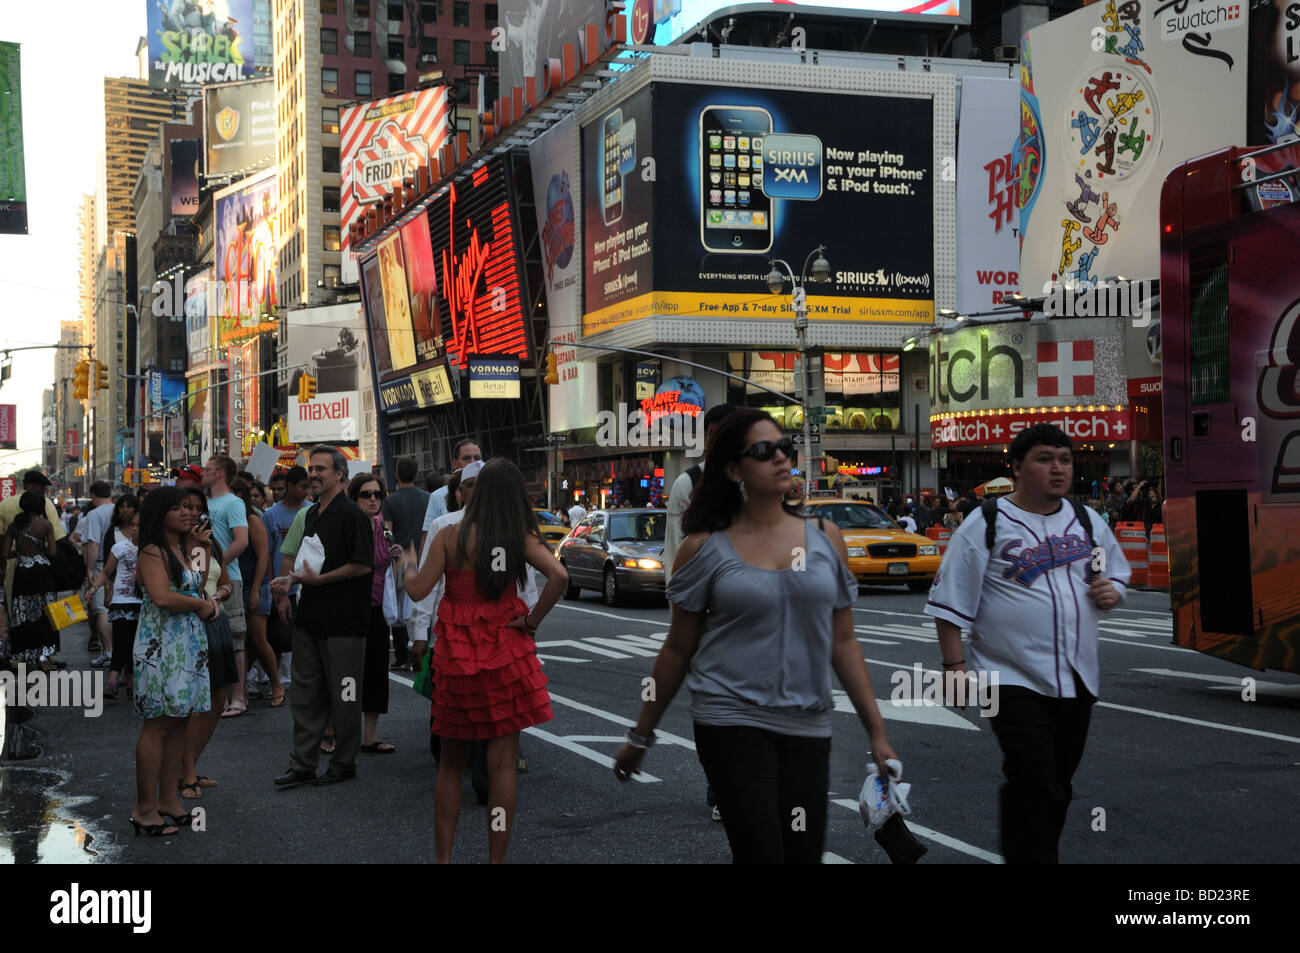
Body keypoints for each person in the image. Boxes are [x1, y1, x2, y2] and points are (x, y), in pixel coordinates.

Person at [612, 409, 899, 864]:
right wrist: (640, 737)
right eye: (764, 452)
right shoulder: (703, 547)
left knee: (802, 852)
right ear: (732, 468)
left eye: (785, 447)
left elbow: (843, 641)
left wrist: (877, 734)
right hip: (730, 721)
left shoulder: (827, 538)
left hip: (807, 723)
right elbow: (677, 649)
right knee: (762, 852)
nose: (782, 458)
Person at [924, 423, 1130, 864]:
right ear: (1016, 467)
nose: (1058, 469)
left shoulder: (1086, 519)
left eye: (1065, 460)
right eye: (1044, 459)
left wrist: (1112, 588)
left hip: (1076, 677)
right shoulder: (987, 524)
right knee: (1033, 778)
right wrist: (954, 667)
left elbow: (1112, 570)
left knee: (1056, 785)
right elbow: (948, 602)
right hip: (1009, 677)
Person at [401, 458, 565, 863]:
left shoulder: (449, 536)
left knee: (451, 767)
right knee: (502, 769)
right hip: (505, 651)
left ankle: (444, 858)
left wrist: (405, 565)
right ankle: (496, 859)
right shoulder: (517, 538)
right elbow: (559, 576)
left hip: (457, 653)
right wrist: (530, 622)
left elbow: (420, 591)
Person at [271, 445, 373, 789]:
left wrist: (318, 580)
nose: (312, 474)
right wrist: (291, 581)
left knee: (344, 696)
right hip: (310, 618)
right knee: (305, 694)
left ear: (340, 475)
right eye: (311, 468)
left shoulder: (353, 515)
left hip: (344, 623)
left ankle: (344, 762)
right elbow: (308, 564)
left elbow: (362, 564)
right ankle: (302, 764)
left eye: (321, 469)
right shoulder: (312, 514)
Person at [130, 487, 219, 836]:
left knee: (180, 721)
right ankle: (144, 808)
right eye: (178, 508)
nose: (187, 513)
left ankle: (168, 800)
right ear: (159, 514)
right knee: (157, 724)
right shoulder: (152, 550)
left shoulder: (183, 547)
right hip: (163, 645)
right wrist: (200, 607)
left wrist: (204, 547)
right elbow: (163, 597)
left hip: (187, 643)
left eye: (188, 507)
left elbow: (198, 583)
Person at [178, 488, 239, 799]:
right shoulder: (171, 545)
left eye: (196, 507)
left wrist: (220, 596)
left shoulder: (209, 541)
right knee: (193, 703)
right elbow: (191, 587)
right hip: (189, 626)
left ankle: (190, 765)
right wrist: (198, 548)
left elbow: (225, 582)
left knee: (217, 701)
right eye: (185, 506)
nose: (191, 513)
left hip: (216, 622)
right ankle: (185, 771)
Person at [348, 473, 403, 753]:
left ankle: (369, 735)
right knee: (347, 672)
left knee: (376, 672)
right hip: (349, 609)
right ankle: (337, 731)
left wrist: (397, 554)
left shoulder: (383, 528)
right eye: (366, 494)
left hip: (379, 608)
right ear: (354, 498)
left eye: (377, 494)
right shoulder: (347, 526)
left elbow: (389, 565)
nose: (373, 499)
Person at [663, 404, 735, 586]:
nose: (719, 439)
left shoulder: (756, 482)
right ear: (705, 438)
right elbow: (673, 552)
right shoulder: (686, 484)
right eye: (713, 433)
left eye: (726, 432)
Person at [202, 456, 250, 716]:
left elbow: (242, 540)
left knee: (235, 639)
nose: (203, 473)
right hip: (204, 581)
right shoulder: (206, 503)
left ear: (219, 473)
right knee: (213, 641)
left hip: (228, 579)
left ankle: (239, 698)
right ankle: (219, 697)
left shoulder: (233, 502)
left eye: (207, 469)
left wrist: (218, 565)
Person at [231, 478, 282, 707]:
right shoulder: (231, 519)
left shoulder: (253, 520)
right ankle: (241, 688)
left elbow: (263, 557)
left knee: (258, 639)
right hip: (236, 585)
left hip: (255, 585)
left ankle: (277, 684)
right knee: (244, 641)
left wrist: (255, 591)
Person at [84, 505, 142, 699]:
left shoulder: (151, 550)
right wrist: (94, 588)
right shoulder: (120, 547)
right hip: (121, 601)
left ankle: (133, 682)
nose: (134, 529)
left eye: (139, 526)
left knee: (136, 646)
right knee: (120, 643)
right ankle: (112, 682)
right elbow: (106, 572)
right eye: (133, 525)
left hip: (142, 603)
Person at [1, 491, 61, 670]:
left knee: (22, 614)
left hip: (22, 574)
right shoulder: (45, 525)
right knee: (47, 614)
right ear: (40, 506)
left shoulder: (14, 526)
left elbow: (4, 553)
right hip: (43, 573)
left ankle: (24, 656)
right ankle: (44, 657)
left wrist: (18, 554)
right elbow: (52, 553)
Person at [382, 456, 429, 669]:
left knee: (399, 609)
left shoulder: (390, 501)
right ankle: (423, 651)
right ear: (417, 474)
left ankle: (402, 655)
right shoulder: (427, 498)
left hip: (400, 559)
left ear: (397, 474)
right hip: (424, 557)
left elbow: (387, 532)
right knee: (423, 607)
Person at [78, 481, 117, 656]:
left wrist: (90, 568)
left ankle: (108, 650)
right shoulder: (120, 509)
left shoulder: (94, 514)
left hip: (102, 564)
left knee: (101, 609)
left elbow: (93, 544)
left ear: (93, 495)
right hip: (123, 563)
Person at [423, 439, 482, 533]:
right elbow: (428, 537)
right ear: (454, 464)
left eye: (477, 458)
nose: (472, 462)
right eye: (466, 458)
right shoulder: (437, 497)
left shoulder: (491, 494)